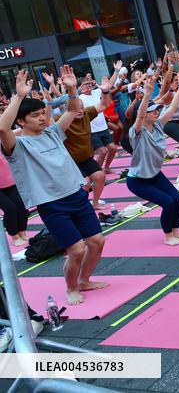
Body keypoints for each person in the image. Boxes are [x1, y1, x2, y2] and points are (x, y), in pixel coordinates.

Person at [0, 67, 106, 306]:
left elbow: (71, 109)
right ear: (21, 120)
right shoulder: (18, 146)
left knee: (97, 241)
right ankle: (71, 288)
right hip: (52, 203)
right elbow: (2, 128)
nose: (42, 117)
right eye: (35, 115)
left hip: (76, 195)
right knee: (76, 249)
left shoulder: (53, 132)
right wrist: (18, 96)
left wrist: (70, 88)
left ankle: (85, 280)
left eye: (42, 113)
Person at [126, 72, 179, 245]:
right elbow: (139, 115)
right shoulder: (137, 132)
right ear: (145, 114)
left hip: (154, 175)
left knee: (176, 198)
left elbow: (173, 106)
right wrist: (147, 94)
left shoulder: (159, 125)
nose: (156, 113)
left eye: (156, 110)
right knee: (168, 202)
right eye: (152, 111)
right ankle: (168, 236)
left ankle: (176, 231)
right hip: (138, 180)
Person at [64, 76, 114, 210]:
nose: (80, 110)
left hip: (86, 157)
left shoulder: (86, 113)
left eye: (82, 107)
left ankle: (95, 203)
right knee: (85, 183)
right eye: (76, 108)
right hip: (70, 161)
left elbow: (104, 104)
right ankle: (83, 207)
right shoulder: (62, 120)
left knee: (99, 176)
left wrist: (105, 91)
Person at [0, 153, 28, 247]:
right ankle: (15, 236)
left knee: (22, 205)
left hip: (9, 182)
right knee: (10, 208)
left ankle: (22, 233)